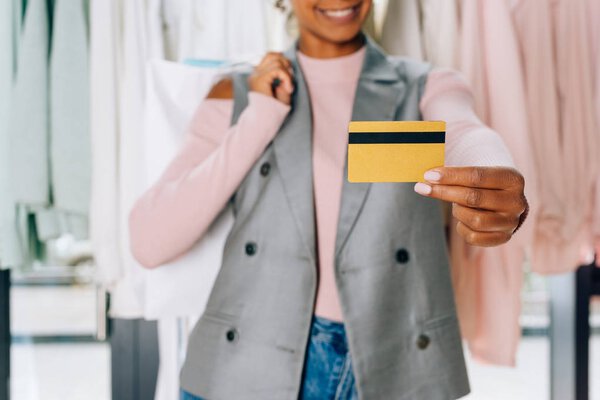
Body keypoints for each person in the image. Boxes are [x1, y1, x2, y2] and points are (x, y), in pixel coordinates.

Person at [129, 0, 528, 398]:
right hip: (245, 366)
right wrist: (259, 117)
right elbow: (149, 242)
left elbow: (465, 133)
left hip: (395, 362)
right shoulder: (236, 93)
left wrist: (494, 174)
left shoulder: (425, 86)